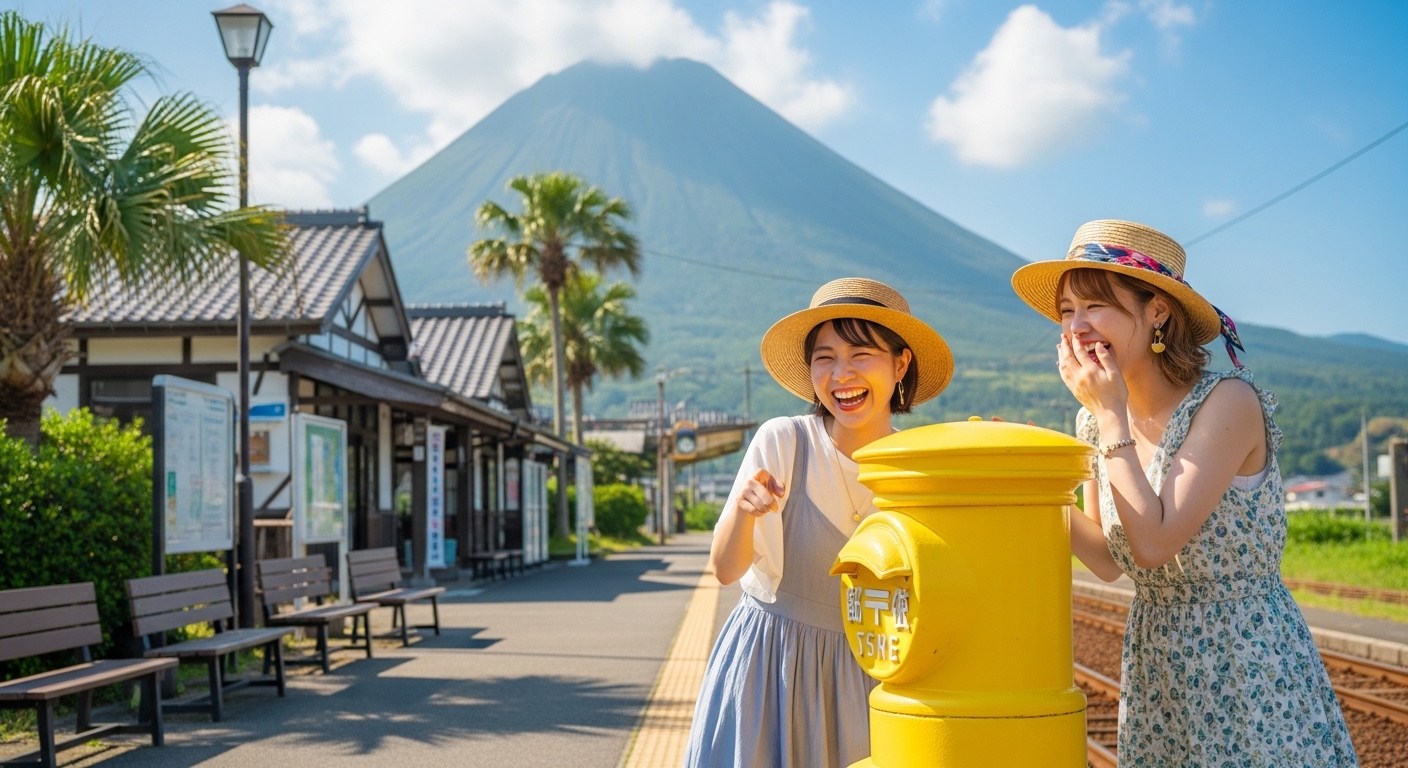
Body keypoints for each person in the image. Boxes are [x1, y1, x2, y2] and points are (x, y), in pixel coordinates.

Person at [1011, 220, 1357, 765]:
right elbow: (1109, 558)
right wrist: (1030, 478)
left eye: (1095, 306)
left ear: (1157, 312)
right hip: (1156, 661)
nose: (1076, 328)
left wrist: (1108, 415)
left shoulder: (1228, 403)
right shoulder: (1094, 421)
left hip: (1244, 659)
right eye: (1066, 312)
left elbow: (1154, 543)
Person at [683, 278, 954, 768]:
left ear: (900, 364)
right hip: (775, 676)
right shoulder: (784, 442)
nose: (840, 374)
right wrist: (745, 511)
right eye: (824, 358)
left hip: (875, 681)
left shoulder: (919, 464)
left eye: (860, 354)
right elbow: (725, 569)